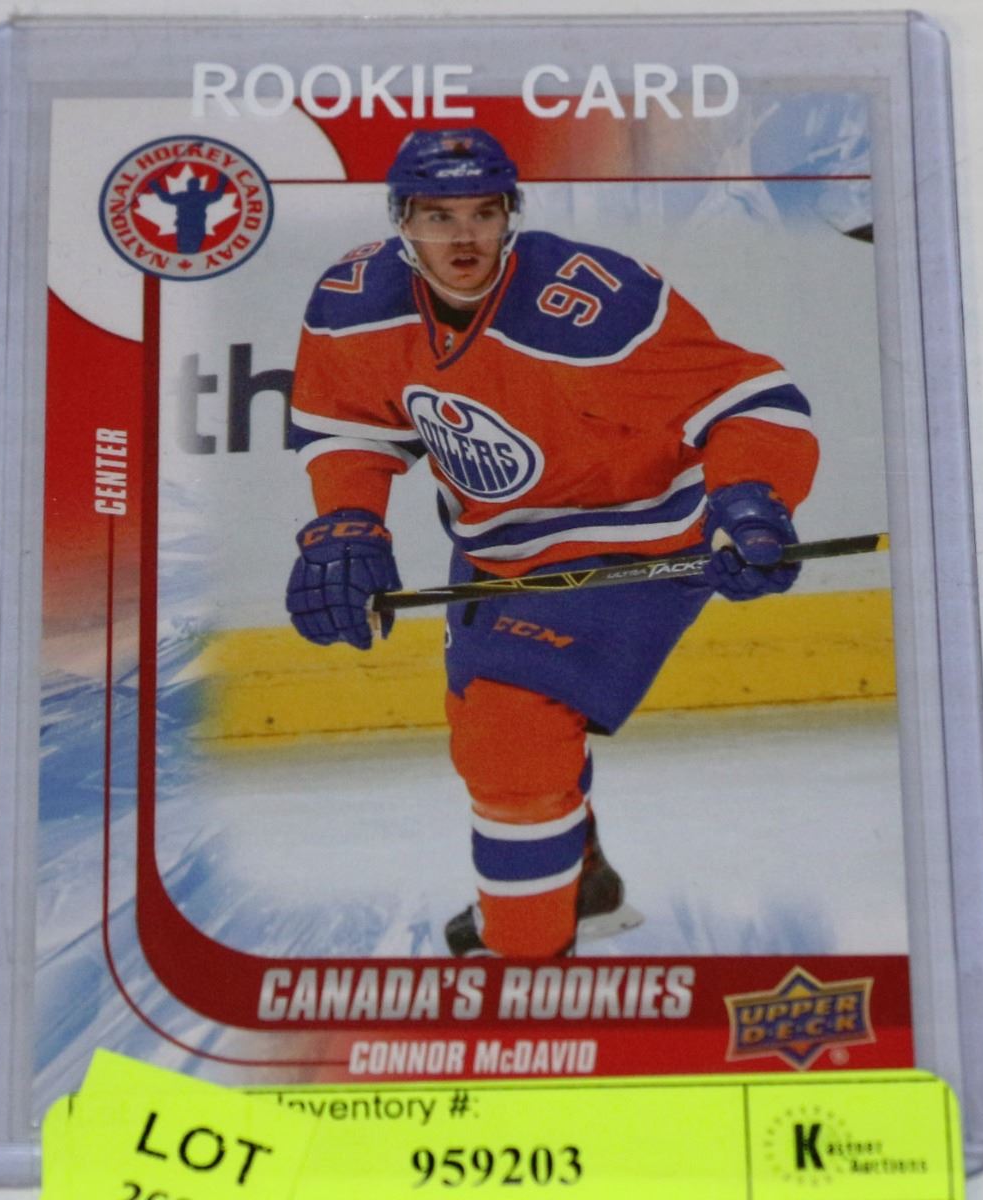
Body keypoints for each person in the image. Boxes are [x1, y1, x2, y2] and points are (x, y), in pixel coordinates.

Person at [286, 128, 819, 958]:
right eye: (437, 216)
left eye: (482, 212)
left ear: (511, 214)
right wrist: (348, 521)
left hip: (638, 540)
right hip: (496, 542)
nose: (463, 237)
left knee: (510, 738)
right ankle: (582, 882)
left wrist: (749, 500)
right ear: (401, 220)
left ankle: (525, 959)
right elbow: (349, 426)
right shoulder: (353, 300)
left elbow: (753, 400)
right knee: (488, 715)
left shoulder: (595, 306)